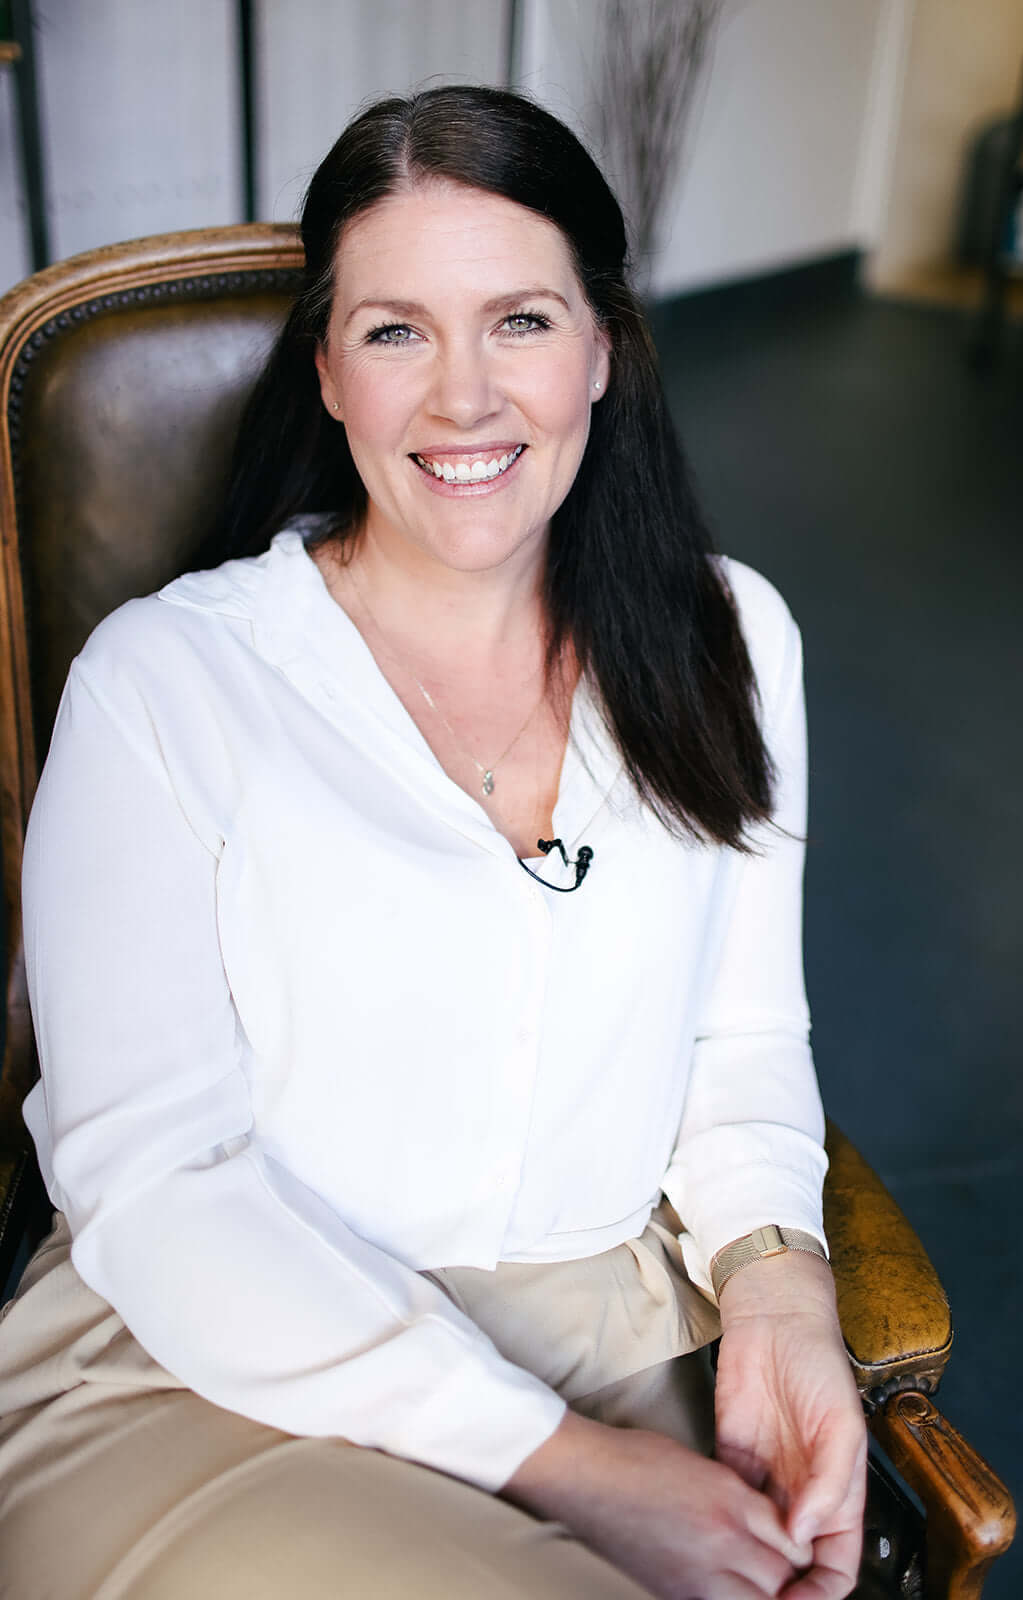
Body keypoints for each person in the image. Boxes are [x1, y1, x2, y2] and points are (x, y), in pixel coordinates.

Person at [0, 85, 866, 1599]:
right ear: (329, 372)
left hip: (615, 1339)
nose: (465, 400)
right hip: (205, 1369)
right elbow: (158, 1185)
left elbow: (741, 1035)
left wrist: (782, 1286)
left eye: (520, 321)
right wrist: (573, 1475)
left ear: (604, 344)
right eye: (397, 332)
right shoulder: (165, 686)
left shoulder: (735, 639)